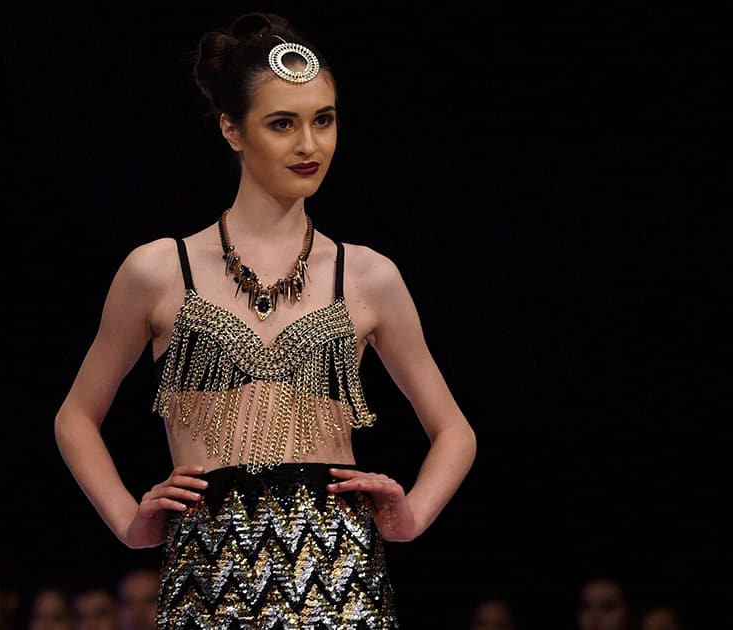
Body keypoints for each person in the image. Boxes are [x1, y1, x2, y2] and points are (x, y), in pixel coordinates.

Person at [53, 9, 477, 630]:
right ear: (231, 128)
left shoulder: (367, 276)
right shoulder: (158, 270)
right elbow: (75, 416)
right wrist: (127, 519)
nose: (309, 146)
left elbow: (455, 431)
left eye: (323, 120)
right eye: (282, 124)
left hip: (341, 578)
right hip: (207, 579)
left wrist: (411, 513)